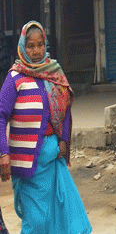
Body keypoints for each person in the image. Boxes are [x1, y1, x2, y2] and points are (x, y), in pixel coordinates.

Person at [0, 21, 91, 234]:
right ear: (23, 46)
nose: (35, 51)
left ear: (45, 45)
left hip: (52, 161)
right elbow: (1, 116)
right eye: (30, 46)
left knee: (67, 216)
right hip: (26, 165)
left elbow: (65, 109)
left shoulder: (54, 73)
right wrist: (3, 153)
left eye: (40, 45)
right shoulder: (15, 78)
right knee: (36, 222)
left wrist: (63, 141)